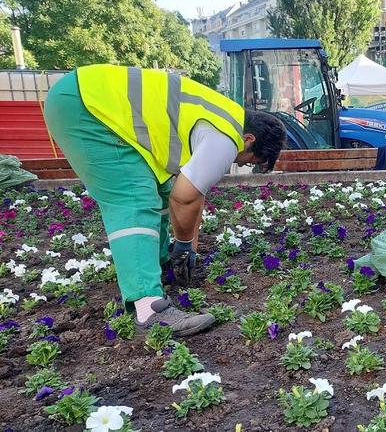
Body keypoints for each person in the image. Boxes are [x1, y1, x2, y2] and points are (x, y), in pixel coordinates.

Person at [43, 64, 286, 336]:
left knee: (157, 190)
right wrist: (183, 246)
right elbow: (184, 198)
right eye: (250, 161)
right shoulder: (228, 138)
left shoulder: (222, 117)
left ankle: (156, 268)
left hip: (84, 98)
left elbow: (189, 193)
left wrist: (188, 246)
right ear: (248, 140)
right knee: (134, 196)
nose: (240, 164)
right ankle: (147, 308)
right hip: (88, 107)